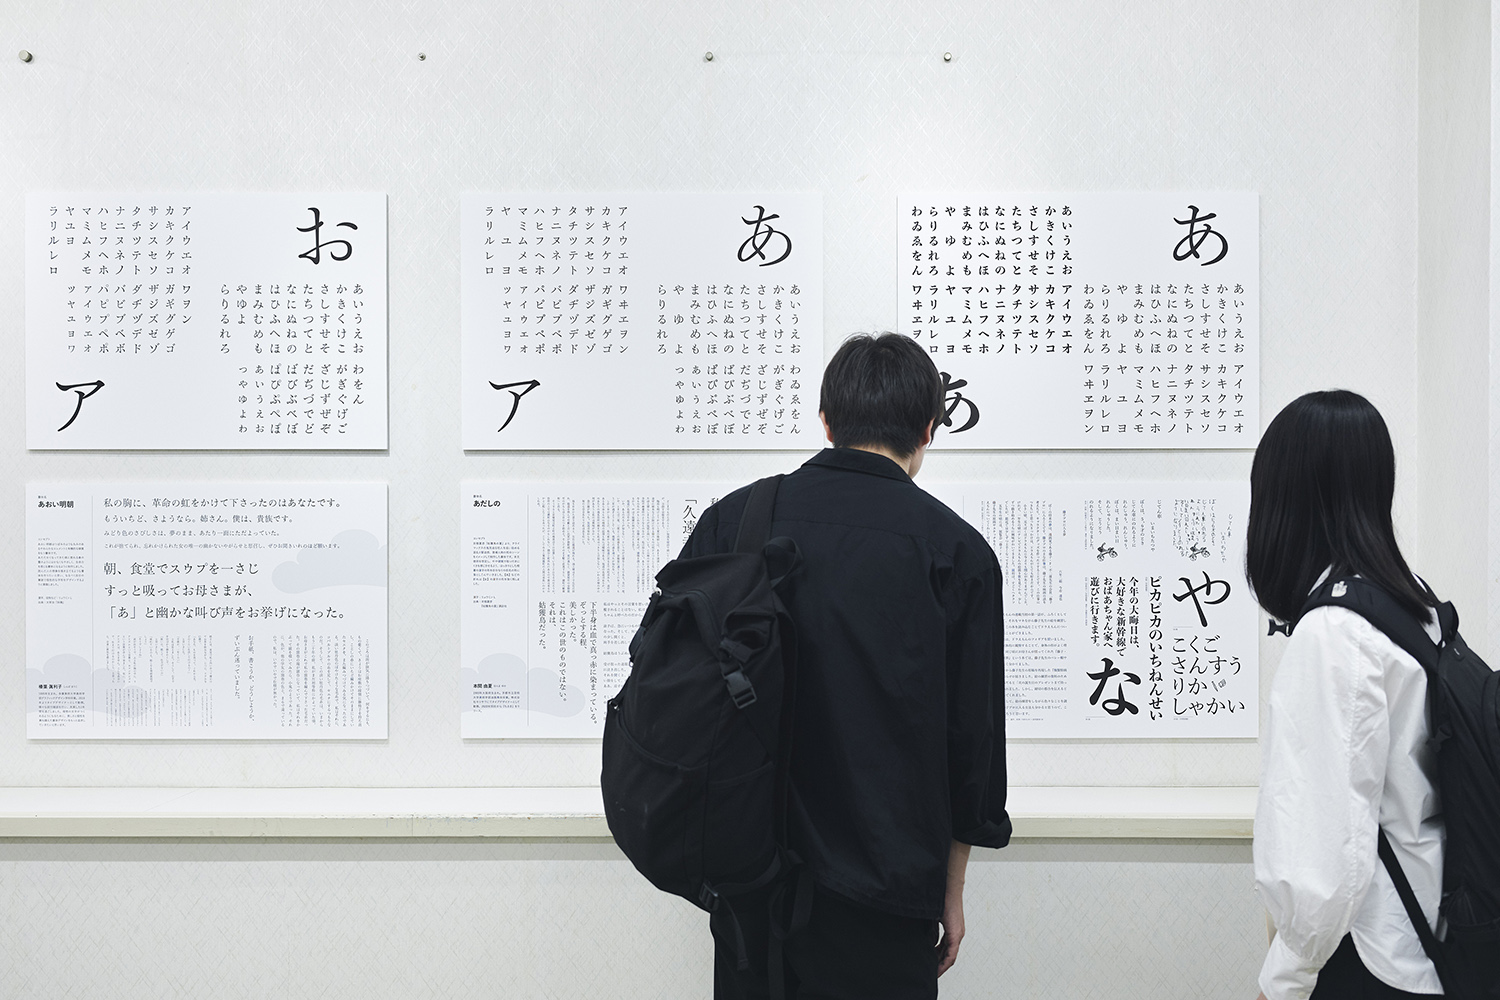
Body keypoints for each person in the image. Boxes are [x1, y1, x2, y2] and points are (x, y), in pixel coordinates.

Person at [680, 332, 1010, 1000]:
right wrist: (951, 892)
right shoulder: (957, 554)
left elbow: (679, 693)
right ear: (929, 429)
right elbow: (972, 750)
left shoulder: (735, 523)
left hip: (752, 897)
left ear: (826, 421)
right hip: (888, 897)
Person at [1247, 390, 1444, 999]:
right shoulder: (1414, 603)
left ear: (1287, 500)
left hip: (1372, 956)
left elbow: (1324, 847)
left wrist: (1283, 979)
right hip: (1431, 936)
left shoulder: (1334, 631)